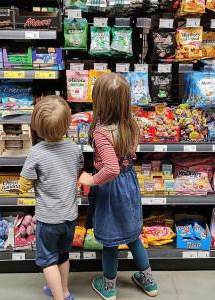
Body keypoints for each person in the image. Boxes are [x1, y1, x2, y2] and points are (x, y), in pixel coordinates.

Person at [79, 73, 158, 300]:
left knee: (111, 241)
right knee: (133, 235)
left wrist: (90, 180)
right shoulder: (130, 124)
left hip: (111, 190)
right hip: (129, 185)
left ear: (100, 101)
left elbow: (111, 168)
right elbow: (130, 154)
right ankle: (149, 283)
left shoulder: (101, 133)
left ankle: (109, 286)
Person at [20, 95, 84, 300]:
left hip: (48, 219)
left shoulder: (36, 153)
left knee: (48, 260)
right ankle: (64, 290)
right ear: (67, 124)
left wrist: (32, 182)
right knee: (63, 255)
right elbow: (78, 171)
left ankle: (60, 297)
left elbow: (24, 184)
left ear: (37, 128)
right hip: (69, 216)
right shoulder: (75, 149)